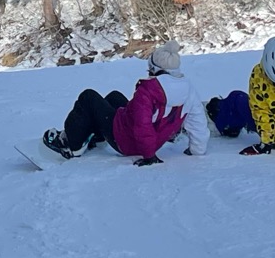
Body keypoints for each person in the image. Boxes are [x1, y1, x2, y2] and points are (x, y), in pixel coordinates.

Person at [44, 40, 210, 166]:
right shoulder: (189, 90)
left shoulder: (148, 91)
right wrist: (197, 149)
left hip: (128, 142)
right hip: (150, 140)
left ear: (154, 69)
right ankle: (96, 134)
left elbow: (142, 125)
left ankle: (71, 144)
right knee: (114, 96)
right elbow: (198, 123)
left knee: (88, 97)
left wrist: (149, 155)